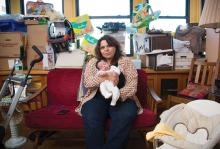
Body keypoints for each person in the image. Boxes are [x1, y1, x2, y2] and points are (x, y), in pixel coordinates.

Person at [75, 35, 142, 149]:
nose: (106, 49)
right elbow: (88, 83)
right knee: (91, 117)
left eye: (109, 46)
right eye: (102, 47)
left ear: (115, 47)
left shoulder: (125, 61)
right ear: (99, 50)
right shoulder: (93, 62)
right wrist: (105, 78)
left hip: (121, 98)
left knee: (126, 115)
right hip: (96, 98)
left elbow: (132, 85)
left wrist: (116, 94)